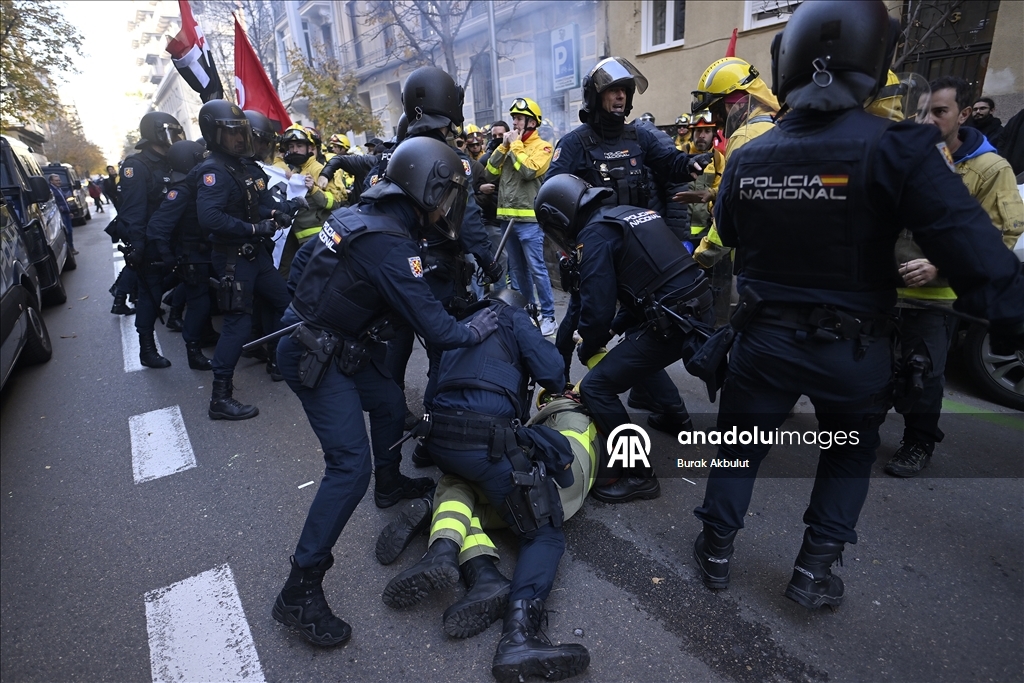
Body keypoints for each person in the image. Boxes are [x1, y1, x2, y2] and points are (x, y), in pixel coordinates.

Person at [690, 0, 1024, 611]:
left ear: (786, 63)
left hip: (762, 340)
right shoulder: (899, 147)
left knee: (739, 445)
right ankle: (813, 573)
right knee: (847, 455)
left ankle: (714, 552)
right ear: (875, 63)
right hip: (852, 348)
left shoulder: (748, 155)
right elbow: (981, 258)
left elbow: (730, 236)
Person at [270, 135, 500, 648]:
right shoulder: (389, 242)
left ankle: (391, 483)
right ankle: (299, 590)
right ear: (426, 188)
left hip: (332, 343)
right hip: (316, 354)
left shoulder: (365, 214)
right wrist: (477, 325)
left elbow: (307, 261)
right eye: (446, 195)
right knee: (348, 468)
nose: (448, 207)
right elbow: (437, 330)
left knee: (390, 402)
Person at [380, 289, 590, 682]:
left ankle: (449, 550)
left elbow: (434, 387)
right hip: (487, 442)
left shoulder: (460, 323)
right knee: (545, 534)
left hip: (439, 440)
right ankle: (520, 636)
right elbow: (553, 375)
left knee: (461, 481)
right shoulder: (514, 320)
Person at [535, 174, 714, 504]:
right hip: (690, 305)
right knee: (634, 352)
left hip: (673, 319)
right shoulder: (624, 214)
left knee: (596, 387)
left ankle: (640, 475)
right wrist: (616, 329)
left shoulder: (594, 237)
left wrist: (590, 343)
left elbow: (596, 309)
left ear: (560, 217)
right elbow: (648, 284)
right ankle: (674, 417)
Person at [884, 76, 1024, 477]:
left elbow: (1000, 235)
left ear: (964, 114)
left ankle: (918, 443)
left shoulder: (990, 168)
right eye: (922, 111)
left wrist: (939, 266)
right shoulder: (906, 157)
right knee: (877, 368)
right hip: (886, 291)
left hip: (936, 297)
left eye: (940, 112)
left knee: (922, 374)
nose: (927, 121)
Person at [195, 100, 291, 420]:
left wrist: (273, 213)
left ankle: (281, 360)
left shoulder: (237, 166)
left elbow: (250, 206)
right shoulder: (214, 171)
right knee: (238, 326)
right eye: (231, 133)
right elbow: (210, 218)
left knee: (284, 302)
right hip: (233, 259)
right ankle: (220, 398)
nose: (239, 139)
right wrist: (252, 227)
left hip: (255, 255)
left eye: (241, 133)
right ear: (213, 133)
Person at [688, 56, 779, 270]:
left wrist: (700, 258)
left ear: (735, 104)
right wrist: (715, 194)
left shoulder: (745, 137)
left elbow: (734, 207)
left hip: (754, 259)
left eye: (717, 110)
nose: (717, 121)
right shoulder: (775, 124)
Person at [484, 98, 557, 335]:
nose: (514, 123)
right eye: (513, 118)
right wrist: (503, 147)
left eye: (519, 118)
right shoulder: (509, 146)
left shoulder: (543, 147)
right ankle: (528, 312)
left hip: (529, 222)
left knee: (537, 269)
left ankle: (549, 316)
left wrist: (515, 147)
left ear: (532, 122)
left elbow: (528, 171)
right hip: (507, 221)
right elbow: (489, 173)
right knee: (517, 271)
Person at [115, 112, 184, 353]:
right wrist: (138, 247)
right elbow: (134, 211)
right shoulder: (137, 165)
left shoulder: (172, 161)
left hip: (175, 239)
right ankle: (146, 349)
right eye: (171, 132)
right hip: (152, 241)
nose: (175, 137)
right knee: (149, 294)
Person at [146, 139, 215, 371]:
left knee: (206, 300)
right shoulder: (182, 190)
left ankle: (205, 335)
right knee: (199, 305)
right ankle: (193, 353)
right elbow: (158, 226)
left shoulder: (191, 185)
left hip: (201, 254)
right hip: (191, 257)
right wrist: (169, 256)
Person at [273, 125, 343, 277]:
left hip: (316, 238)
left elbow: (335, 203)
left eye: (299, 146)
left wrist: (314, 189)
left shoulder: (318, 169)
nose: (295, 150)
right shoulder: (294, 171)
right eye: (291, 147)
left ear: (310, 148)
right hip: (297, 238)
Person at [48, 174, 76, 255]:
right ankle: (69, 249)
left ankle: (71, 247)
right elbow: (53, 203)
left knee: (70, 231)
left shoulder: (59, 189)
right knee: (66, 231)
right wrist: (60, 209)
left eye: (59, 180)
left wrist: (69, 211)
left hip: (66, 213)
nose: (58, 182)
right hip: (60, 214)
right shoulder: (51, 191)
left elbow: (64, 201)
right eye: (56, 181)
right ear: (51, 181)